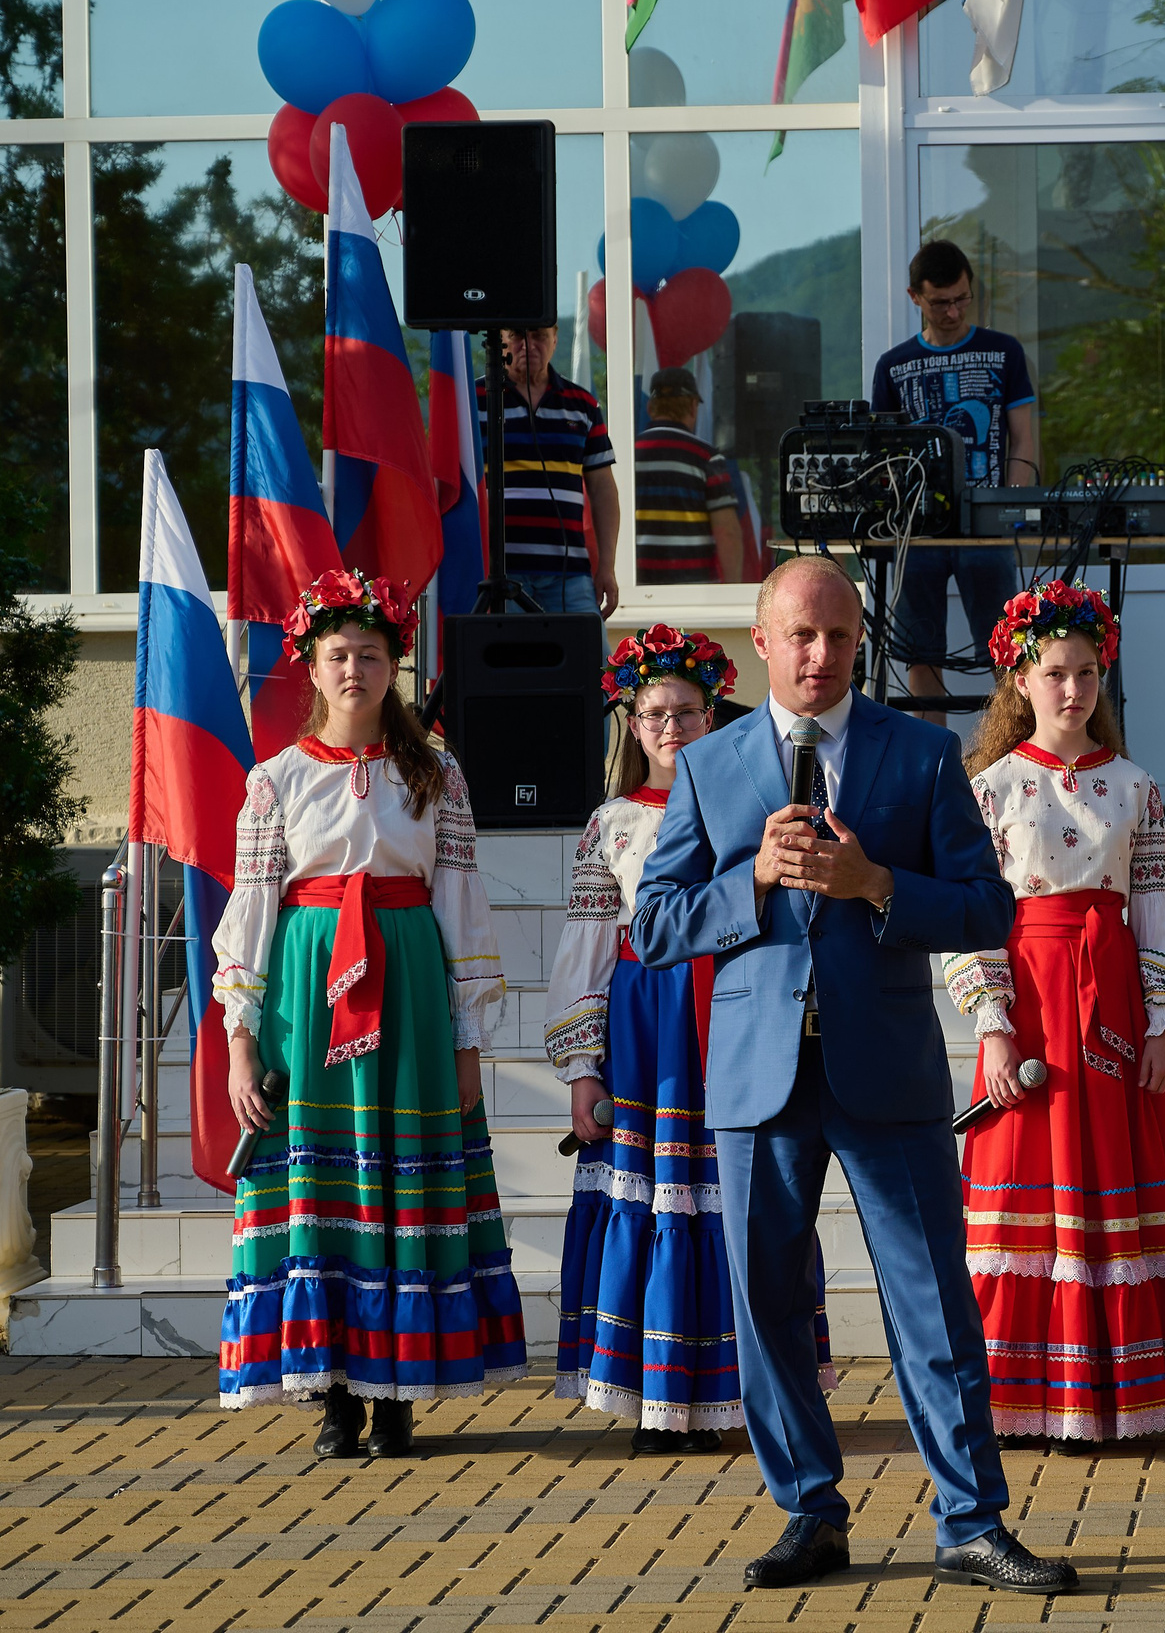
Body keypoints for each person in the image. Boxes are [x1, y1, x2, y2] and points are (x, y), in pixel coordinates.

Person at [630, 556, 1075, 1596]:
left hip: (886, 1071)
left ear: (858, 639)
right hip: (756, 1079)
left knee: (932, 1304)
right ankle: (808, 1512)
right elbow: (653, 925)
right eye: (799, 636)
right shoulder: (710, 764)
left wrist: (876, 883)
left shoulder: (919, 755)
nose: (819, 655)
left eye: (837, 636)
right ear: (761, 641)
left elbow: (984, 910)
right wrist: (751, 879)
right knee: (768, 1304)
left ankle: (969, 1519)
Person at [212, 570, 523, 1456]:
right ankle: (336, 1396)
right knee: (330, 1186)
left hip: (412, 981)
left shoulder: (437, 772)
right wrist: (240, 1043)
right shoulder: (274, 780)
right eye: (338, 654)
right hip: (310, 997)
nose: (355, 669)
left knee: (401, 1179)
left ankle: (399, 1394)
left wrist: (471, 1038)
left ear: (396, 667)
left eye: (372, 655)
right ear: (310, 666)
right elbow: (253, 912)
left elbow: (461, 901)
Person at [547, 626, 835, 1454]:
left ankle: (743, 1391)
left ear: (714, 717)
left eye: (687, 711)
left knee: (743, 1199)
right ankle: (655, 1395)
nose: (671, 727)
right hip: (652, 1029)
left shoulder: (756, 803)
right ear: (631, 726)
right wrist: (581, 1065)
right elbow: (587, 949)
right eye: (654, 714)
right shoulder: (610, 824)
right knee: (657, 1199)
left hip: (740, 1009)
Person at [943, 581, 1165, 1448]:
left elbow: (1160, 902)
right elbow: (972, 914)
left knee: (1113, 1180)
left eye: (1087, 672)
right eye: (1055, 672)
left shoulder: (1135, 786)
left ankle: (1122, 1391)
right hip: (1030, 994)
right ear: (1020, 679)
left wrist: (1164, 1020)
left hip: (1113, 999)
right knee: (1030, 1175)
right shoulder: (989, 787)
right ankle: (1024, 1393)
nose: (1073, 689)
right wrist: (992, 1024)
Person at [871, 240, 1037, 723]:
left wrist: (1013, 508)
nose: (953, 310)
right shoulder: (893, 365)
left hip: (986, 525)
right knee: (921, 653)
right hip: (917, 531)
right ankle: (935, 769)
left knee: (1007, 652)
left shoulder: (1003, 351)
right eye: (941, 301)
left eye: (962, 298)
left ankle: (1017, 758)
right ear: (914, 297)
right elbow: (883, 457)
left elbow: (1024, 439)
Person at [476, 324, 620, 617]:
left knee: (591, 661)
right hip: (495, 575)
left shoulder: (583, 405)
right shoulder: (474, 399)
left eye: (539, 335)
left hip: (569, 576)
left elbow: (603, 487)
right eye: (517, 335)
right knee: (506, 664)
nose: (528, 345)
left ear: (555, 340)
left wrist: (607, 566)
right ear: (500, 342)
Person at [634, 368, 749, 586]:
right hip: (695, 591)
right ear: (692, 406)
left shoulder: (628, 457)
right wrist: (732, 589)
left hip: (637, 591)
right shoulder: (706, 457)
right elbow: (728, 532)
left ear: (650, 407)